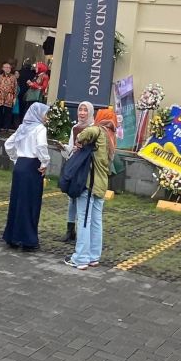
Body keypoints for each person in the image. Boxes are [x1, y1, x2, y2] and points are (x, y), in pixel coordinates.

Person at [66, 108, 116, 271]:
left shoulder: (99, 130)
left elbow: (87, 132)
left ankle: (80, 258)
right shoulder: (111, 137)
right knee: (96, 221)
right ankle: (94, 256)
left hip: (89, 184)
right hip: (101, 185)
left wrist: (79, 139)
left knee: (84, 219)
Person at [1, 102, 50, 250]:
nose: (46, 117)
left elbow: (8, 144)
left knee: (16, 201)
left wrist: (16, 159)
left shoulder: (23, 127)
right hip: (31, 167)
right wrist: (44, 163)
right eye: (45, 113)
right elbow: (41, 146)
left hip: (20, 166)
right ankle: (27, 239)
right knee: (30, 203)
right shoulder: (39, 129)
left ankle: (12, 236)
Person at [60, 100, 95, 243]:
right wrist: (65, 148)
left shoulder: (94, 129)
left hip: (87, 167)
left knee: (82, 198)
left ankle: (83, 232)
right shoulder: (75, 128)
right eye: (80, 109)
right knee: (71, 198)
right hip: (75, 165)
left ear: (91, 112)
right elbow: (71, 147)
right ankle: (70, 230)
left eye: (85, 110)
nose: (82, 113)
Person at [0, 60, 19, 133]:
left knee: (8, 113)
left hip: (9, 97)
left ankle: (6, 127)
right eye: (5, 67)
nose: (7, 69)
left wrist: (14, 98)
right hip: (0, 96)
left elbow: (15, 88)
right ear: (3, 68)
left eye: (9, 67)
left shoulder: (13, 78)